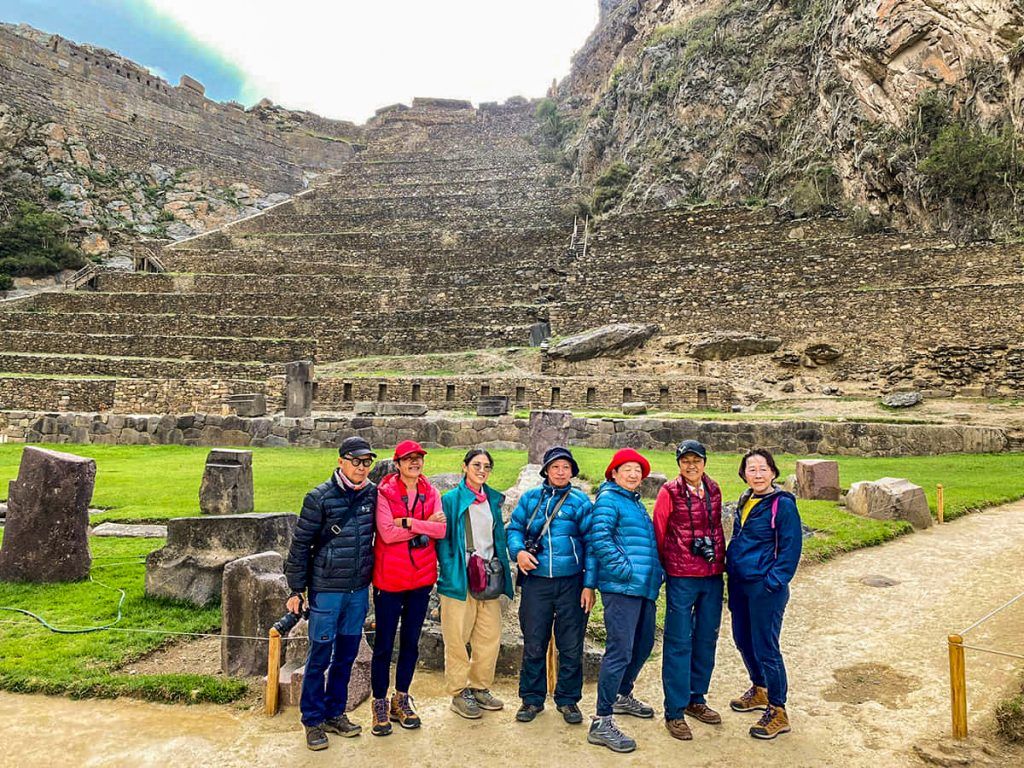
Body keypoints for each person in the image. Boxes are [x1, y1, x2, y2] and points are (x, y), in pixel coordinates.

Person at [284, 436, 378, 751]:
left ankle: (335, 712)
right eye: (356, 461)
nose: (362, 467)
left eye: (367, 462)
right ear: (341, 462)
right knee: (320, 656)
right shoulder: (319, 498)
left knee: (347, 655)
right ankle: (312, 719)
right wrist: (297, 589)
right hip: (326, 590)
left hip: (357, 589)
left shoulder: (372, 494)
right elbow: (300, 546)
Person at [506, 446, 596, 725]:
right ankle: (531, 699)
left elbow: (592, 544)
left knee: (571, 645)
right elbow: (514, 529)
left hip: (572, 581)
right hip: (537, 582)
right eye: (555, 467)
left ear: (572, 472)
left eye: (565, 467)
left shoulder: (580, 502)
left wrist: (589, 584)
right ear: (546, 470)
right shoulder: (531, 499)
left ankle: (568, 699)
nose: (560, 472)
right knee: (534, 642)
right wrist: (518, 552)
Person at [586, 447, 664, 753]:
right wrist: (625, 570)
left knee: (643, 644)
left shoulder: (633, 503)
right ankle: (601, 720)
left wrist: (654, 573)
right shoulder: (609, 499)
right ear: (614, 473)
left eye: (637, 470)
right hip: (622, 588)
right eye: (627, 469)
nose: (633, 474)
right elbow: (600, 539)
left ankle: (621, 694)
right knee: (619, 650)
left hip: (643, 587)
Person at [369, 440, 446, 736]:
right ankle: (379, 703)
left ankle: (401, 697)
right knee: (385, 645)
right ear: (398, 464)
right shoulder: (385, 493)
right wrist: (425, 523)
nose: (415, 463)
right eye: (409, 459)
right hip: (390, 579)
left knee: (411, 643)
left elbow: (441, 530)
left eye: (419, 459)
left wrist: (411, 522)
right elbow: (387, 534)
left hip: (420, 579)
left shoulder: (431, 491)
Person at [726, 447, 803, 740]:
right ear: (744, 474)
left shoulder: (781, 504)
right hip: (740, 582)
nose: (757, 474)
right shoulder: (747, 500)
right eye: (751, 469)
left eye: (762, 468)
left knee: (766, 646)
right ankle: (760, 688)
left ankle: (778, 709)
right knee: (743, 640)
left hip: (764, 586)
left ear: (772, 472)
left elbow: (790, 547)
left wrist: (773, 581)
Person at [653, 439, 726, 741]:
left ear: (705, 462)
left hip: (711, 574)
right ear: (679, 464)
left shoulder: (714, 490)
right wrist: (663, 565)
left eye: (696, 460)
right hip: (682, 574)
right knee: (679, 640)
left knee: (707, 637)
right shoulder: (669, 492)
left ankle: (697, 697)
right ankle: (674, 709)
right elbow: (659, 528)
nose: (691, 466)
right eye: (686, 461)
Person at [436, 448, 514, 719]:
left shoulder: (492, 500)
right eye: (477, 464)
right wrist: (449, 570)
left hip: (488, 575)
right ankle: (458, 692)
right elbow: (442, 540)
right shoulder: (451, 500)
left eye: (487, 466)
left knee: (488, 635)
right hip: (460, 577)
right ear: (465, 466)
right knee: (457, 637)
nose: (482, 470)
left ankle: (480, 686)